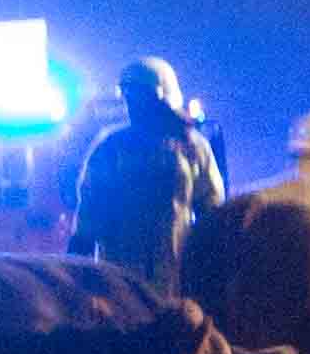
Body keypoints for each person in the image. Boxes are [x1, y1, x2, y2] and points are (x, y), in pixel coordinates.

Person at [68, 60, 222, 290]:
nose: (133, 104)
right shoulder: (111, 147)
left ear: (162, 97)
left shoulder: (192, 147)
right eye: (128, 97)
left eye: (140, 96)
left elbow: (211, 208)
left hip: (177, 278)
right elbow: (91, 208)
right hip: (121, 280)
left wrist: (211, 261)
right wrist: (79, 262)